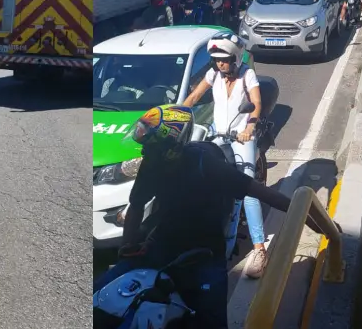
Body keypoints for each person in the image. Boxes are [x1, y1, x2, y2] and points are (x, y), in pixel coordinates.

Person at [93, 103, 326, 328]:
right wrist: (129, 244)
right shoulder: (152, 165)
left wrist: (313, 220)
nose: (145, 151)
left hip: (204, 252)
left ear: (169, 147)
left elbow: (261, 192)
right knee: (100, 295)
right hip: (161, 243)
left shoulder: (206, 165)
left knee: (211, 319)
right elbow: (136, 206)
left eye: (150, 146)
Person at [183, 32, 268, 278]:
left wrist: (250, 127)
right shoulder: (214, 74)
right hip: (218, 134)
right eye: (216, 59)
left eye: (224, 59)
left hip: (242, 137)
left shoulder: (246, 74)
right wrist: (176, 115)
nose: (220, 64)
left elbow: (257, 103)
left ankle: (260, 248)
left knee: (248, 188)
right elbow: (195, 96)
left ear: (235, 58)